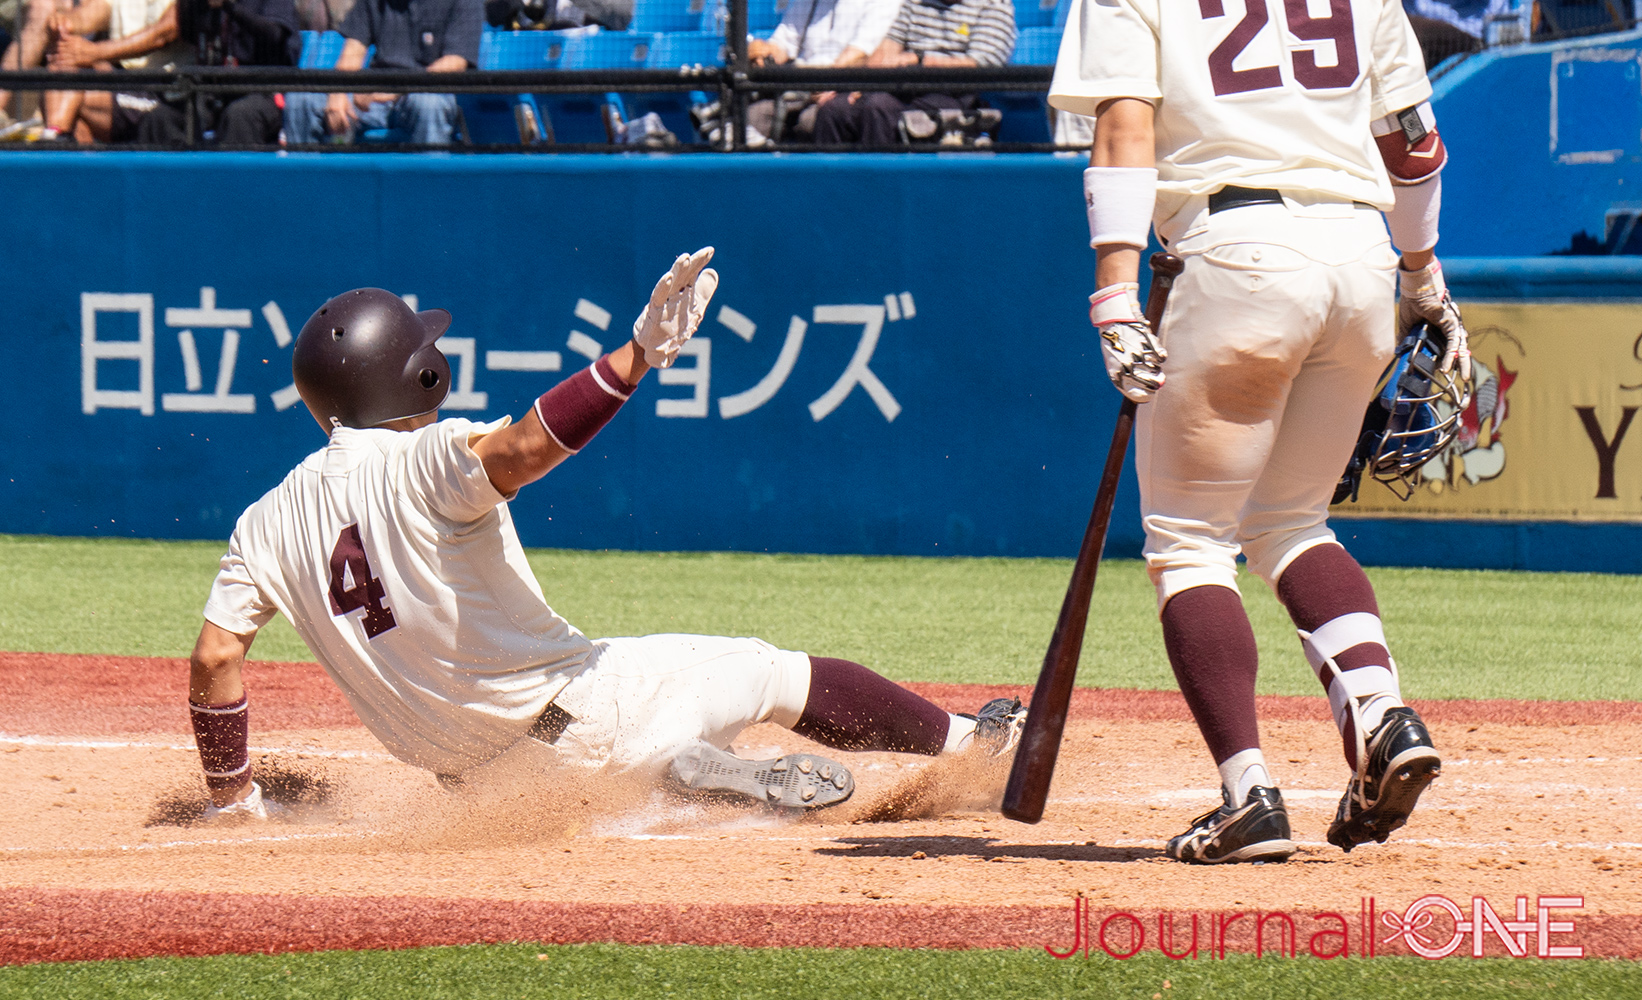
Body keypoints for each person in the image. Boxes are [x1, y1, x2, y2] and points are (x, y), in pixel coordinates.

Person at [188, 249, 1027, 821]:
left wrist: (232, 797)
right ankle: (977, 744)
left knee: (622, 797)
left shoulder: (261, 523)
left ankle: (678, 776)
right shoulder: (422, 456)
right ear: (419, 373)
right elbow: (520, 449)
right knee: (773, 673)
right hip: (587, 716)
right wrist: (634, 356)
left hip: (484, 792)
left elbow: (216, 657)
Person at [1048, 0, 1468, 862]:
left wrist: (1115, 292)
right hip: (1359, 255)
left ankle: (1248, 796)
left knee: (1191, 544)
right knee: (1292, 522)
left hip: (1234, 247)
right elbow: (1415, 145)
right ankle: (1380, 713)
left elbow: (1126, 124)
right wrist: (1423, 274)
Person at [811, 0, 1014, 146]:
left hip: (952, 95)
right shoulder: (915, 4)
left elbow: (979, 66)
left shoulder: (994, 6)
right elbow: (885, 52)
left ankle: (879, 192)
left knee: (879, 107)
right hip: (901, 86)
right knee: (835, 109)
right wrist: (862, 85)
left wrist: (920, 60)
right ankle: (826, 193)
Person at [282, 0, 480, 145]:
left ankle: (426, 194)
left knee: (428, 104)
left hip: (424, 92)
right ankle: (303, 192)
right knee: (302, 100)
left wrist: (398, 89)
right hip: (372, 98)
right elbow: (353, 51)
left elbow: (455, 63)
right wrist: (338, 91)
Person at [132, 0, 300, 145]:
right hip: (211, 92)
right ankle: (174, 181)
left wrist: (230, 6)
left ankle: (232, 183)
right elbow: (187, 30)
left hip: (262, 91)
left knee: (239, 116)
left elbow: (275, 35)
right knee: (160, 119)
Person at [743, 0, 901, 144]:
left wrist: (823, 82)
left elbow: (860, 54)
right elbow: (783, 44)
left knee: (810, 121)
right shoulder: (806, 3)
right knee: (751, 117)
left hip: (841, 90)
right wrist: (762, 50)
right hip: (798, 88)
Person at [37, 0, 194, 142]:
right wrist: (63, 23)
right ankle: (56, 140)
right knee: (64, 65)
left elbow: (163, 34)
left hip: (168, 94)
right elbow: (96, 12)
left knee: (71, 85)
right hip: (126, 83)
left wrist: (92, 53)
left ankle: (57, 147)